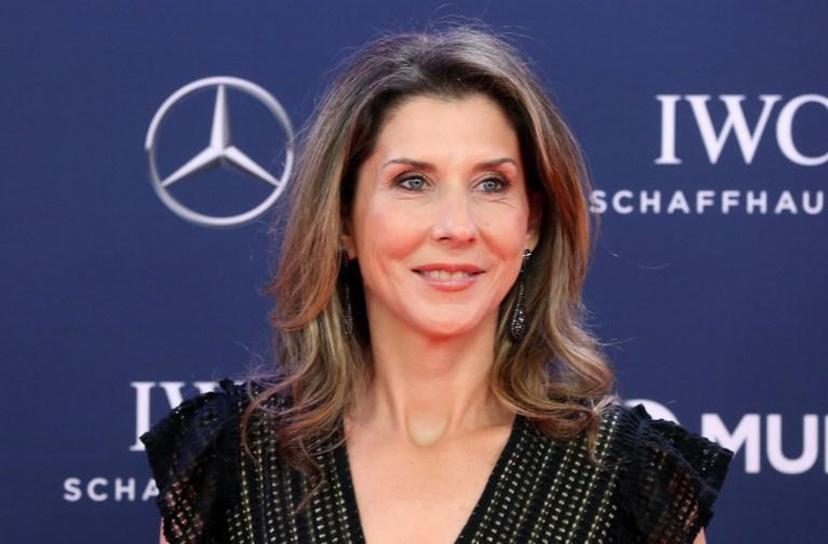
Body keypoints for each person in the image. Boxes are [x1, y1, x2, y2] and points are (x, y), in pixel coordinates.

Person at [141, 23, 733, 544]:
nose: (456, 227)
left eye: (492, 184)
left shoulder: (626, 476)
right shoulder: (231, 461)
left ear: (532, 223)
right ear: (343, 220)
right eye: (413, 182)